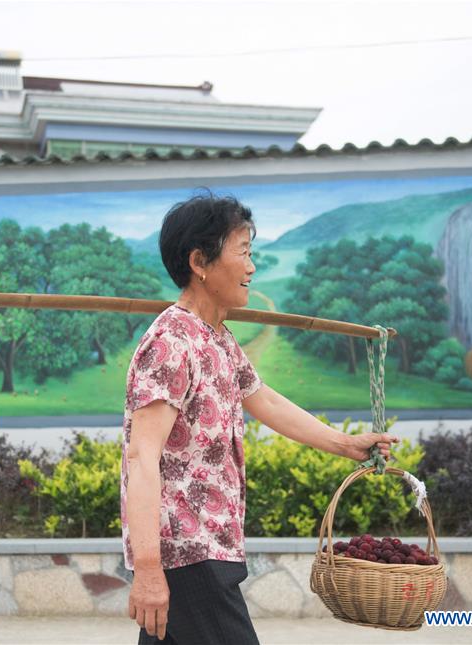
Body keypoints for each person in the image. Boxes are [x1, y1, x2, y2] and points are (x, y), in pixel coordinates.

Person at [122, 195, 398, 644]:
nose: (252, 268)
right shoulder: (170, 342)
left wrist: (345, 444)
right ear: (199, 262)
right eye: (243, 252)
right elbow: (141, 456)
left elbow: (263, 399)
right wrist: (149, 570)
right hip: (188, 553)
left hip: (209, 547)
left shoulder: (218, 338)